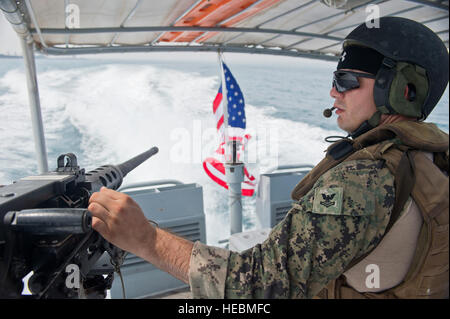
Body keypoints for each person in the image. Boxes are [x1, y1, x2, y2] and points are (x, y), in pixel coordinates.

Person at [88, 17, 449, 299]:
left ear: (403, 90)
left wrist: (145, 239)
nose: (333, 92)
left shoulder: (366, 178)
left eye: (346, 79)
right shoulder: (429, 157)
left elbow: (260, 286)